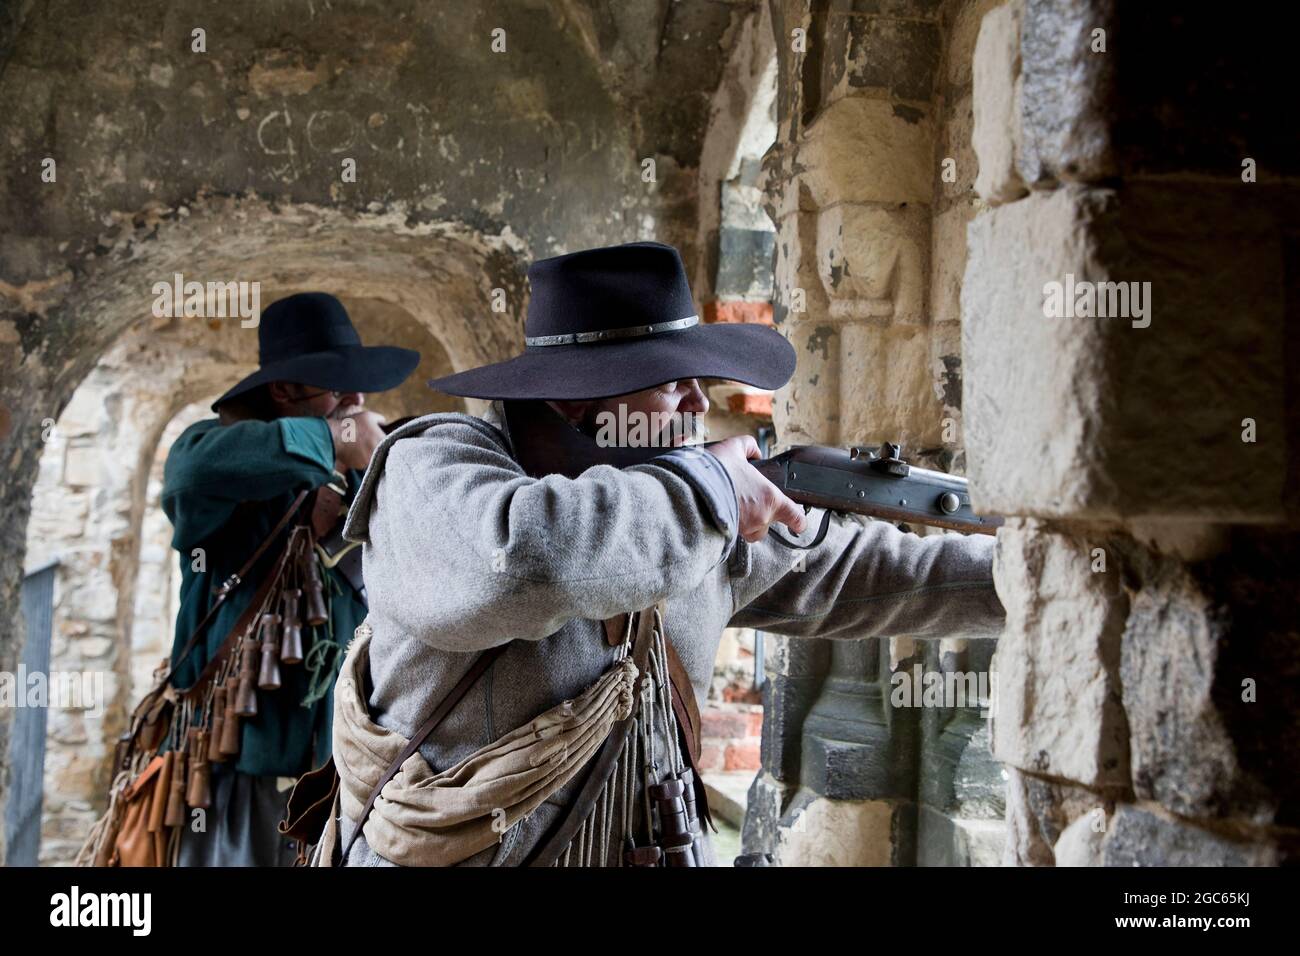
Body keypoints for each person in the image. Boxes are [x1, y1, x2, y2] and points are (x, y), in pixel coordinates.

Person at [327, 242, 1004, 867]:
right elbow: (523, 563)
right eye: (670, 380)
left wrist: (1034, 575)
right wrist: (710, 483)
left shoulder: (685, 516)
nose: (698, 403)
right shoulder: (433, 463)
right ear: (574, 396)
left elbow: (871, 571)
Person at [161, 291, 417, 866]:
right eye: (338, 388)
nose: (356, 403)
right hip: (230, 769)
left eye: (358, 391)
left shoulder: (351, 480)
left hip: (339, 774)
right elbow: (190, 473)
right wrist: (333, 439)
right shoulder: (218, 461)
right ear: (283, 391)